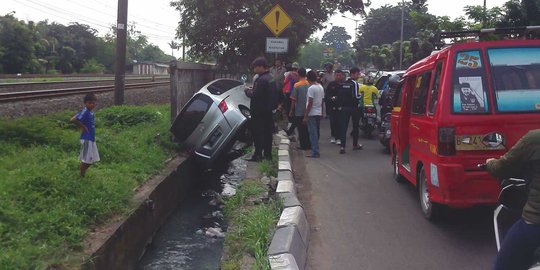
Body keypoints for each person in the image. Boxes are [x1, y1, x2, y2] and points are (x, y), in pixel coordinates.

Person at [486, 129, 540, 270]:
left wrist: (490, 162)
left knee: (502, 266)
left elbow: (502, 168)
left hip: (535, 223)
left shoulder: (534, 138)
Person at [245, 57, 275, 162]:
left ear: (261, 67)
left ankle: (257, 155)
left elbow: (256, 95)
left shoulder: (261, 79)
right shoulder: (271, 77)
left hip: (258, 111)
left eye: (255, 67)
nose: (254, 70)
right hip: (268, 110)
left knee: (257, 133)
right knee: (267, 133)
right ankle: (268, 155)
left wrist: (247, 91)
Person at [70, 93, 100, 177]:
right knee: (87, 159)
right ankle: (81, 176)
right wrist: (82, 126)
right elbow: (72, 120)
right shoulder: (85, 111)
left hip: (91, 138)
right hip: (86, 138)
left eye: (93, 103)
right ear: (85, 103)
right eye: (90, 103)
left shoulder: (90, 113)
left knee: (92, 159)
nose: (92, 105)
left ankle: (82, 173)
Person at [337, 67, 363, 154]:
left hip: (344, 108)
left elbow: (339, 96)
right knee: (355, 126)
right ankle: (355, 145)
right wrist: (361, 96)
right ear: (354, 74)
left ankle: (342, 147)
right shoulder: (354, 84)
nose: (358, 76)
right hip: (353, 108)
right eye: (358, 74)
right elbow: (356, 97)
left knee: (343, 127)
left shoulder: (343, 83)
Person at [304, 70, 325, 158]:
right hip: (318, 112)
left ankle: (315, 152)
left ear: (308, 78)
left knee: (313, 133)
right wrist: (322, 112)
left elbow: (310, 103)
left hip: (312, 113)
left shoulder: (311, 88)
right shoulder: (320, 87)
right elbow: (322, 101)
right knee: (316, 132)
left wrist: (306, 115)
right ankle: (315, 149)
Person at [289, 68, 311, 150]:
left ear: (298, 74)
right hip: (309, 110)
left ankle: (303, 145)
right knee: (307, 128)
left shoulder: (297, 85)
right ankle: (309, 144)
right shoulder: (309, 84)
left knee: (301, 129)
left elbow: (293, 99)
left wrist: (291, 110)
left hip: (299, 111)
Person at [325, 69, 345, 144]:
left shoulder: (344, 84)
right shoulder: (331, 84)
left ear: (342, 76)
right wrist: (331, 98)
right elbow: (327, 95)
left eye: (340, 75)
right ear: (334, 75)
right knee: (333, 122)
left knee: (340, 122)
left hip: (341, 107)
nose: (338, 77)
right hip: (332, 106)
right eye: (337, 75)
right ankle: (333, 136)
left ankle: (339, 137)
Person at [283, 62, 299, 132]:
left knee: (289, 107)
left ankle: (291, 122)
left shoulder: (290, 74)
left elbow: (285, 81)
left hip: (290, 93)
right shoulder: (299, 74)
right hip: (298, 92)